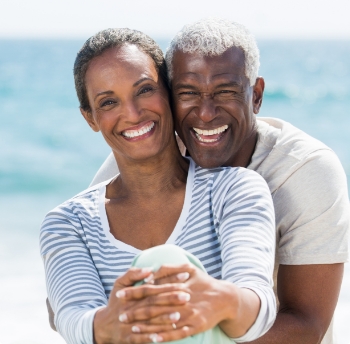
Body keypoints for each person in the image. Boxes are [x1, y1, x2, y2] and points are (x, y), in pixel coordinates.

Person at [91, 19, 350, 344]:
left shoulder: (305, 171)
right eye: (188, 94)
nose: (206, 113)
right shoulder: (138, 163)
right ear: (170, 96)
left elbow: (306, 325)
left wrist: (201, 328)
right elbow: (76, 302)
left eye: (225, 92)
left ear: (255, 96)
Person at [40, 28, 276, 344]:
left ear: (169, 92)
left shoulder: (233, 189)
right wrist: (112, 321)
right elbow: (72, 317)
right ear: (90, 118)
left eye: (145, 90)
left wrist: (220, 300)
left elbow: (256, 300)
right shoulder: (68, 223)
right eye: (109, 102)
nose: (133, 114)